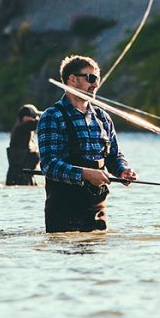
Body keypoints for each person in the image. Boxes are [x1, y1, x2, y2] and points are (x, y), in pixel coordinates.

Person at [36, 55, 137, 232]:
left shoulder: (103, 117)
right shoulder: (52, 116)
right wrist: (85, 174)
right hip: (64, 212)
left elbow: (114, 155)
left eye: (97, 79)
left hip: (98, 211)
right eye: (90, 78)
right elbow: (49, 165)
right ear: (72, 80)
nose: (95, 84)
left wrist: (123, 170)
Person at [6, 103, 41, 185]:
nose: (35, 118)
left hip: (21, 174)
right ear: (25, 117)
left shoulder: (20, 128)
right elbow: (41, 123)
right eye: (33, 116)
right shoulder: (23, 127)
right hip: (20, 176)